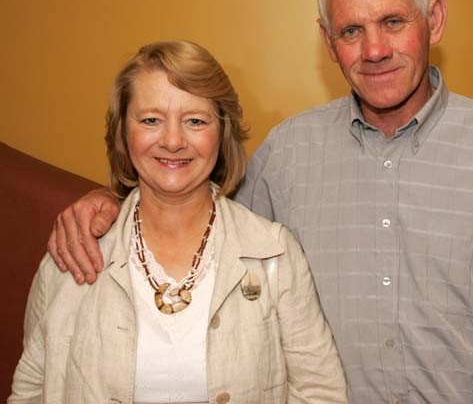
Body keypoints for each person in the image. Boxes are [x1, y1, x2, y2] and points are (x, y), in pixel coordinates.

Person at [46, 0, 473, 404]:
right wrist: (110, 201)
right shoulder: (286, 153)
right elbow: (199, 219)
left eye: (392, 22)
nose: (375, 49)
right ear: (327, 40)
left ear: (434, 20)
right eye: (351, 31)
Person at [10, 40, 347, 403]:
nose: (173, 141)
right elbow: (31, 390)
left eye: (195, 121)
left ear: (223, 131)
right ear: (123, 130)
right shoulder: (74, 250)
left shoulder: (275, 254)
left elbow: (320, 393)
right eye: (151, 120)